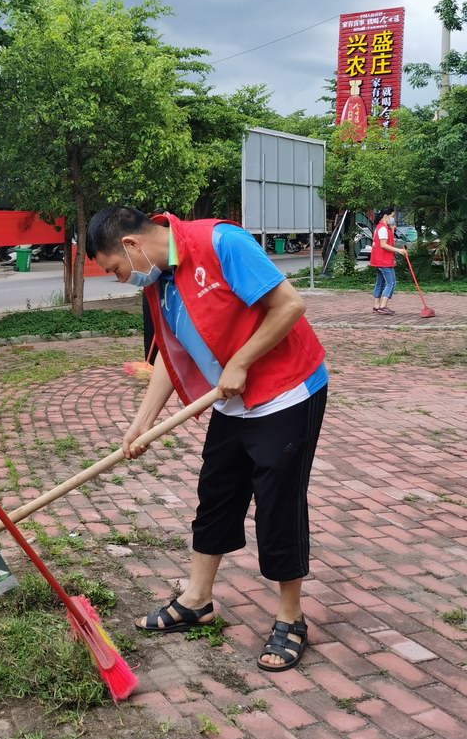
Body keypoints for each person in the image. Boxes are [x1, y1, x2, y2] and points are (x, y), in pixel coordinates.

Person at [86, 206, 327, 673]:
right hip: (231, 400)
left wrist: (241, 360)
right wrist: (142, 422)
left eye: (115, 269)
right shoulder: (160, 281)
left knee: (278, 500)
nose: (119, 280)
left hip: (286, 391)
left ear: (132, 246)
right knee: (216, 493)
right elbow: (174, 354)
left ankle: (290, 618)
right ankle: (196, 600)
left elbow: (290, 305)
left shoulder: (221, 244)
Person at [370, 206, 406, 315]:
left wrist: (392, 229)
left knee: (380, 283)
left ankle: (377, 306)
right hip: (383, 260)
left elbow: (388, 242)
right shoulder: (382, 229)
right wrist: (398, 251)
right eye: (392, 216)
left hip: (381, 260)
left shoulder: (383, 228)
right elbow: (383, 245)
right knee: (391, 283)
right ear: (386, 216)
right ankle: (383, 306)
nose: (393, 218)